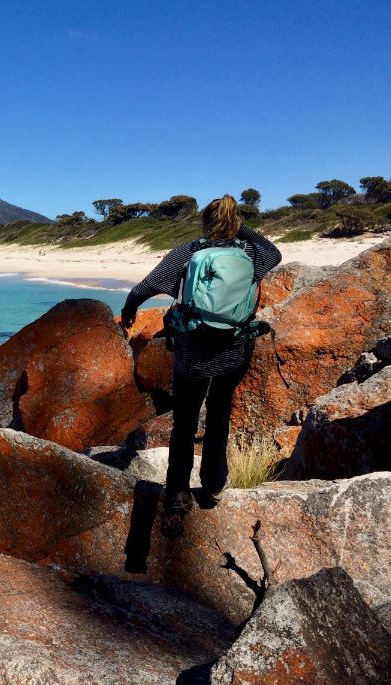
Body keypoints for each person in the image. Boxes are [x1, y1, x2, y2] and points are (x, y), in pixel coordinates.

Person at [120, 195, 282, 538]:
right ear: (236, 221)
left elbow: (146, 286)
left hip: (194, 350)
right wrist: (240, 229)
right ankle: (212, 484)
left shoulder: (189, 251)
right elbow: (274, 252)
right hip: (235, 348)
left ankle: (177, 497)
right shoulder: (253, 254)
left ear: (204, 222)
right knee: (220, 412)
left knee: (184, 423)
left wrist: (130, 309)